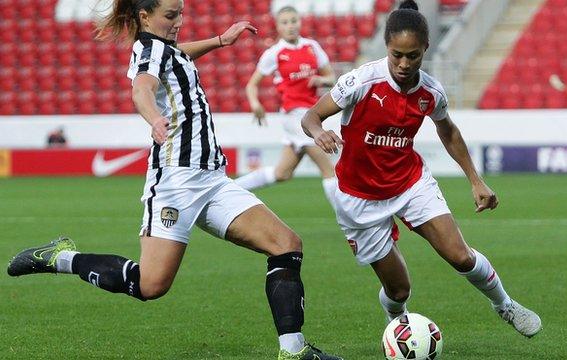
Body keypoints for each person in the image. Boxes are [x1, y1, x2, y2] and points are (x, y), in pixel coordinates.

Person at [6, 1, 341, 359]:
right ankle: (60, 257)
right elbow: (142, 89)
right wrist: (153, 118)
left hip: (212, 178)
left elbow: (177, 52)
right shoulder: (149, 50)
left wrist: (219, 40)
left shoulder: (163, 48)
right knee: (149, 284)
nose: (179, 21)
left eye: (180, 13)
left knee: (286, 244)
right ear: (145, 16)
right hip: (176, 182)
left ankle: (293, 350)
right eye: (170, 15)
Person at [301, 0, 542, 339]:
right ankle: (396, 322)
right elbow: (310, 116)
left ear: (425, 49)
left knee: (460, 256)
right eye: (396, 54)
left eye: (412, 56)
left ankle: (504, 304)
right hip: (359, 198)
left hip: (409, 184)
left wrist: (476, 180)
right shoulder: (360, 81)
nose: (403, 63)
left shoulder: (430, 91)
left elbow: (448, 131)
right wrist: (319, 132)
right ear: (387, 46)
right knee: (399, 292)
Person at [234, 6, 338, 209]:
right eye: (285, 22)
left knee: (282, 173)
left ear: (300, 22)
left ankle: (231, 188)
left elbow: (332, 77)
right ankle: (349, 222)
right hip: (294, 116)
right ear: (278, 27)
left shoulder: (312, 47)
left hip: (311, 114)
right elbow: (252, 85)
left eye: (293, 21)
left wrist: (321, 80)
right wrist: (256, 104)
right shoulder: (274, 53)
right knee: (329, 170)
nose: (290, 26)